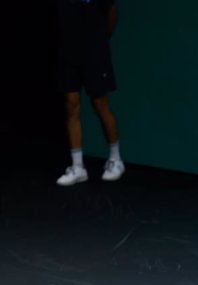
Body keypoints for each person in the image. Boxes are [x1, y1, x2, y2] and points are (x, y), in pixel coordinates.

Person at [55, 0, 125, 186]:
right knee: (71, 105)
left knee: (99, 103)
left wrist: (100, 42)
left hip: (94, 53)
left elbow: (111, 14)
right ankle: (78, 167)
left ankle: (115, 160)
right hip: (68, 52)